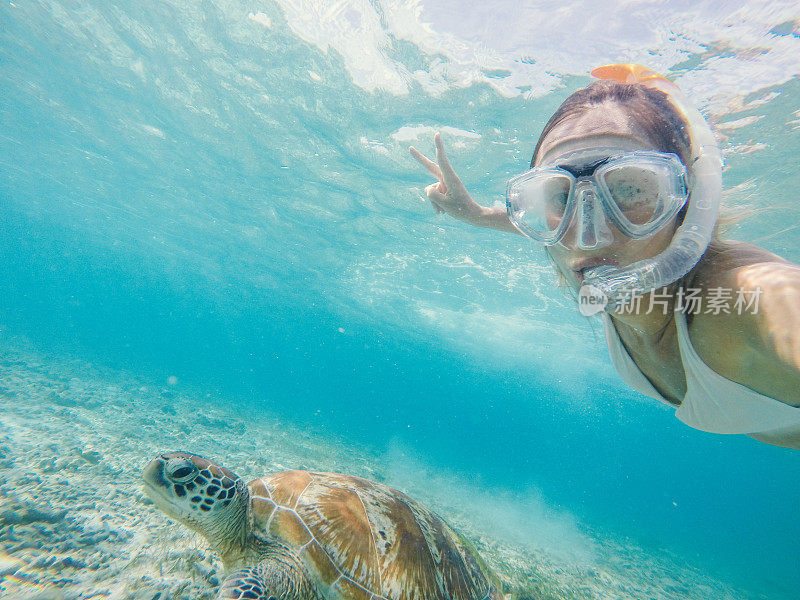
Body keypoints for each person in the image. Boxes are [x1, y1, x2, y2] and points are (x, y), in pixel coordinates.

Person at [409, 64, 800, 449]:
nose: (589, 236)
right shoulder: (594, 249)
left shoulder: (743, 300)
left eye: (628, 190)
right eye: (560, 196)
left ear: (688, 206)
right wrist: (477, 215)